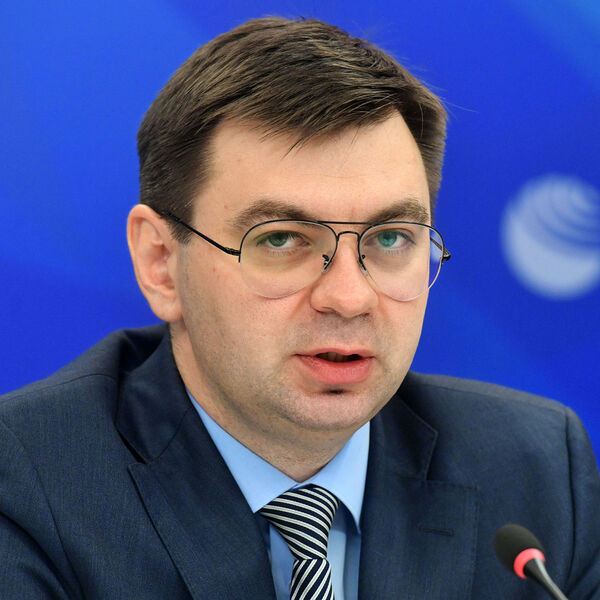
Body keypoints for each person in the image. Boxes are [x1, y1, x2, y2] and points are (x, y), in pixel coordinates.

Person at [0, 16, 598, 600]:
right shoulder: (27, 482)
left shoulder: (537, 471)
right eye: (282, 240)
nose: (349, 298)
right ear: (161, 263)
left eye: (391, 238)